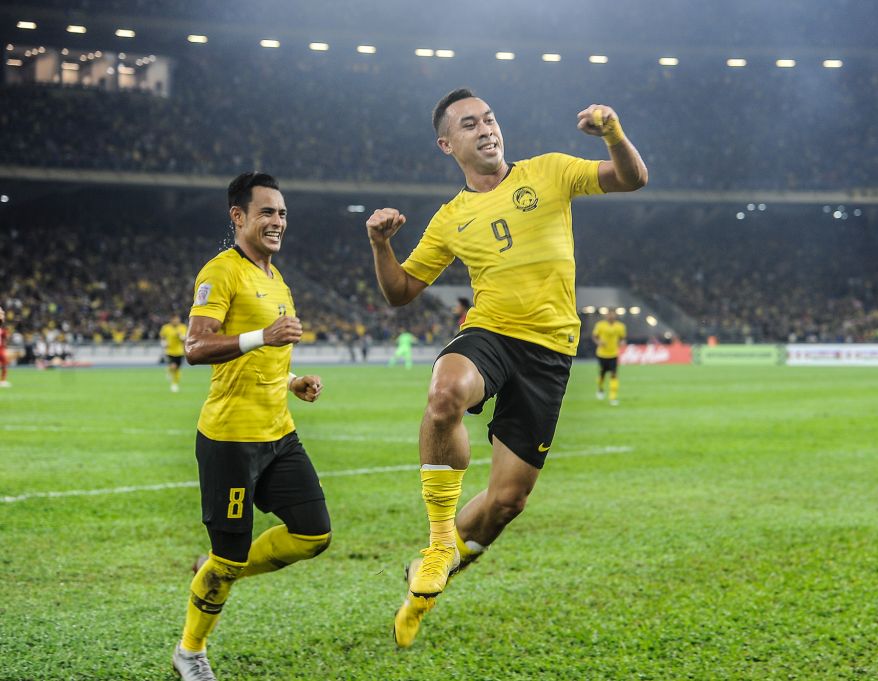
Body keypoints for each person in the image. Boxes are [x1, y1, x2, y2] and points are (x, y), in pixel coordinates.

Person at [365, 88, 647, 647]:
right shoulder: (451, 218)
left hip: (552, 353)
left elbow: (631, 178)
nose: (487, 128)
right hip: (492, 331)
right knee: (446, 393)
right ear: (448, 144)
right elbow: (400, 291)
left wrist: (613, 131)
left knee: (506, 503)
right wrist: (379, 244)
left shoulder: (550, 171)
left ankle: (428, 583)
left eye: (490, 118)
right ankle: (441, 538)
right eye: (470, 124)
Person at [172, 172, 331, 681]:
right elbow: (195, 348)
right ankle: (190, 651)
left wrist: (291, 381)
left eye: (282, 213)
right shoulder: (221, 272)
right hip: (231, 442)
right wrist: (262, 335)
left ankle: (220, 568)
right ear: (238, 217)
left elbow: (261, 358)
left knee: (314, 534)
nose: (277, 221)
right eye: (266, 212)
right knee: (229, 557)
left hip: (279, 434)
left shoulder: (276, 278)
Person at [592, 309, 627, 405]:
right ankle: (600, 389)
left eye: (613, 314)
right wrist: (598, 342)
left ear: (615, 315)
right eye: (609, 314)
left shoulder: (620, 326)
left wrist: (622, 342)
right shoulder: (600, 325)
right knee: (602, 374)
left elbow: (622, 338)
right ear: (606, 315)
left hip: (613, 354)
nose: (611, 316)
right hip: (602, 354)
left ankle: (613, 397)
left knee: (614, 374)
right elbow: (595, 336)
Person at [160, 314, 188, 392]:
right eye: (174, 319)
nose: (176, 321)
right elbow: (162, 337)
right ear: (171, 320)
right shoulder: (166, 328)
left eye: (177, 319)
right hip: (169, 351)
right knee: (173, 366)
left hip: (180, 352)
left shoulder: (183, 327)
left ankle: (175, 382)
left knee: (177, 369)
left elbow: (184, 339)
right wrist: (164, 343)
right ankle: (174, 384)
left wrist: (180, 336)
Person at [0, 305, 10, 387]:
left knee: (5, 363)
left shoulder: (3, 329)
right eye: (2, 313)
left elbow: (5, 339)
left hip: (1, 348)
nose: (3, 314)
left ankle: (3, 380)